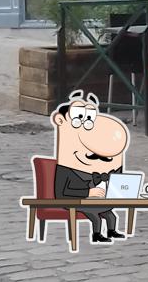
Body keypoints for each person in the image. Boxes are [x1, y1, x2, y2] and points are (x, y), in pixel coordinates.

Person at [50, 91, 129, 243]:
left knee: (110, 213)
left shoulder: (86, 168)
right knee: (94, 212)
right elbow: (63, 191)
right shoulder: (65, 169)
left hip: (88, 198)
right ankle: (97, 234)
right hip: (68, 199)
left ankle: (111, 231)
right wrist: (89, 191)